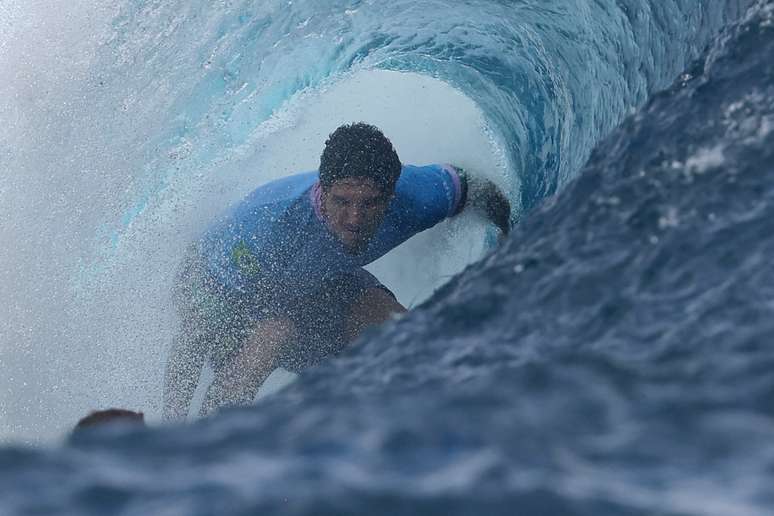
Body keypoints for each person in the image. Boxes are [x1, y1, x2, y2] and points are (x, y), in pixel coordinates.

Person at [163, 122, 510, 420]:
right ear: (323, 191)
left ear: (390, 197)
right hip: (221, 289)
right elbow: (192, 334)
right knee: (274, 334)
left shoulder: (418, 196)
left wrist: (518, 248)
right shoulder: (266, 227)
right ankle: (206, 450)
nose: (355, 219)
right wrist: (171, 418)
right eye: (342, 202)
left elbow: (475, 189)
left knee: (394, 326)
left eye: (370, 203)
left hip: (321, 282)